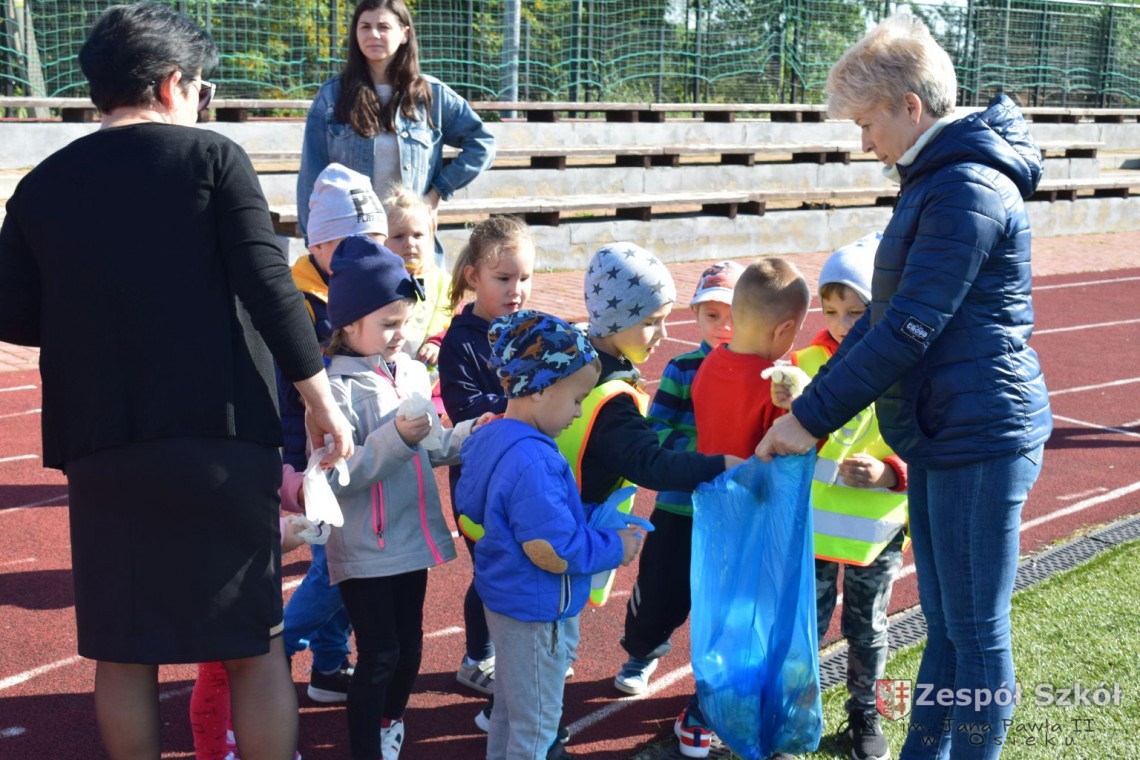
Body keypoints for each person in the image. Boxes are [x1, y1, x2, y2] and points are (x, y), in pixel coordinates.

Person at [0, 4, 353, 759]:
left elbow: (16, 315)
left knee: (124, 652)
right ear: (172, 85)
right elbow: (270, 285)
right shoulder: (211, 159)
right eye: (201, 87)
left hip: (102, 441)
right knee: (251, 646)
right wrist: (318, 397)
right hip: (220, 436)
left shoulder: (41, 185)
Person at [755, 15, 1052, 760]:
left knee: (976, 634)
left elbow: (908, 325)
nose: (864, 142)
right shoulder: (941, 180)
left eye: (867, 123)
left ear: (910, 109)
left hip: (979, 431)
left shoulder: (966, 188)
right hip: (948, 425)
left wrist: (811, 418)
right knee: (950, 624)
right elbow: (891, 318)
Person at [321, 235, 490, 760]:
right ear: (349, 325)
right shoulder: (332, 391)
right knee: (379, 654)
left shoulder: (412, 371)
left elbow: (433, 447)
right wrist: (399, 438)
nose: (401, 334)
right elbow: (335, 476)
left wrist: (470, 434)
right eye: (387, 324)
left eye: (406, 320)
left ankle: (391, 720)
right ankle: (364, 747)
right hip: (364, 547)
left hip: (411, 539)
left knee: (411, 646)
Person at [455, 310, 644, 760]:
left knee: (508, 713)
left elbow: (519, 515)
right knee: (536, 727)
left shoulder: (493, 435)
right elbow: (553, 551)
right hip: (538, 611)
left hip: (508, 602)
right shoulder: (536, 460)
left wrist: (587, 514)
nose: (579, 411)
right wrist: (618, 547)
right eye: (577, 399)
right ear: (540, 390)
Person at [775, 233, 908, 760]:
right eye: (831, 310)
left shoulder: (907, 365)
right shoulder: (804, 362)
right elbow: (782, 431)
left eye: (856, 311)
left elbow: (926, 438)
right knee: (804, 627)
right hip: (813, 531)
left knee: (868, 628)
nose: (842, 324)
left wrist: (888, 474)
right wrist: (783, 402)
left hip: (877, 533)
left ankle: (863, 713)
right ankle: (793, 714)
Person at [682, 258, 809, 759]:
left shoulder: (711, 364)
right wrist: (796, 397)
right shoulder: (777, 378)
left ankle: (702, 715)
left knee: (718, 612)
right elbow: (789, 441)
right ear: (783, 330)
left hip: (714, 510)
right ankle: (741, 719)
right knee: (760, 620)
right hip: (760, 517)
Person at [281, 162, 389, 705]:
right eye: (353, 240)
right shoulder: (296, 302)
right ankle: (273, 650)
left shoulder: (360, 286)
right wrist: (289, 460)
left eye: (374, 239)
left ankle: (327, 667)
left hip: (357, 447)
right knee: (335, 566)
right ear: (318, 242)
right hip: (318, 452)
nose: (365, 251)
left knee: (345, 561)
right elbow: (286, 392)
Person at [613, 260, 744, 701]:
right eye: (711, 315)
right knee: (660, 587)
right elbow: (657, 428)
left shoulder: (762, 371)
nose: (723, 325)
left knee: (724, 599)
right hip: (678, 505)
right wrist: (694, 457)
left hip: (734, 512)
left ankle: (721, 670)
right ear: (696, 316)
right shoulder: (682, 368)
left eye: (733, 315)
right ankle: (641, 652)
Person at [296, 0, 495, 265]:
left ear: (404, 33)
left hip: (411, 243)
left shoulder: (432, 96)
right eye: (364, 26)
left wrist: (434, 195)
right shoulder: (332, 96)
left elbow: (482, 144)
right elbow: (312, 173)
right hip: (354, 244)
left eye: (383, 26)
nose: (373, 34)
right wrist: (316, 241)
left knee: (416, 305)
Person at [437, 216, 535, 706]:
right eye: (504, 278)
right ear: (474, 276)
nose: (516, 290)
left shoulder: (532, 329)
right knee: (491, 571)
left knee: (522, 563)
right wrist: (517, 406)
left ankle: (518, 648)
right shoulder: (461, 341)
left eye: (524, 278)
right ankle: (478, 658)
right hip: (479, 482)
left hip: (526, 478)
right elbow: (464, 410)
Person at [383, 184, 452, 414]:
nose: (409, 243)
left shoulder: (441, 281)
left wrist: (437, 342)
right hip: (388, 380)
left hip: (434, 382)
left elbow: (452, 316)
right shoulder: (377, 281)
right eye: (398, 236)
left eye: (418, 235)